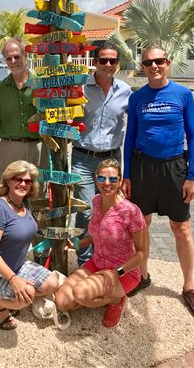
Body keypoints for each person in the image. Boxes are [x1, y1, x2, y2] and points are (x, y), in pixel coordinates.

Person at [122, 45, 194, 318]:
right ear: (142, 67)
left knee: (181, 227)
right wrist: (127, 174)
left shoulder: (182, 94)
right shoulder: (137, 98)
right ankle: (142, 275)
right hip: (143, 167)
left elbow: (193, 137)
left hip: (174, 168)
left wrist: (191, 175)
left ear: (167, 63)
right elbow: (129, 138)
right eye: (148, 63)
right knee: (141, 223)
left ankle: (189, 286)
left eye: (158, 61)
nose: (154, 66)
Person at [55, 159, 147, 328]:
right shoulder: (97, 201)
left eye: (113, 179)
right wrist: (78, 244)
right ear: (95, 179)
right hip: (97, 263)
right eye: (102, 178)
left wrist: (116, 273)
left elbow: (142, 253)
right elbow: (98, 234)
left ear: (120, 181)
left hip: (122, 271)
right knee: (61, 302)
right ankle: (97, 295)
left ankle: (117, 298)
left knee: (80, 293)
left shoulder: (131, 212)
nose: (107, 183)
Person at [0, 161, 59, 330]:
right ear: (8, 181)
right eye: (17, 179)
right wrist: (14, 280)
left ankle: (10, 297)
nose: (23, 184)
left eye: (27, 181)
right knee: (27, 295)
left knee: (52, 284)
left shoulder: (23, 203)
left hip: (17, 266)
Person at [71, 42, 132, 266]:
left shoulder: (125, 91)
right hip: (83, 158)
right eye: (103, 60)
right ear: (94, 62)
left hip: (112, 159)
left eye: (112, 60)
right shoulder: (80, 89)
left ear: (117, 63)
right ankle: (85, 263)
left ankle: (105, 258)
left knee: (110, 211)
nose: (108, 64)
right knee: (86, 210)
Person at [0, 38, 40, 178]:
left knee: (38, 194)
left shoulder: (42, 85)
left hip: (37, 147)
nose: (13, 62)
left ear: (25, 56)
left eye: (17, 57)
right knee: (9, 193)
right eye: (8, 59)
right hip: (10, 148)